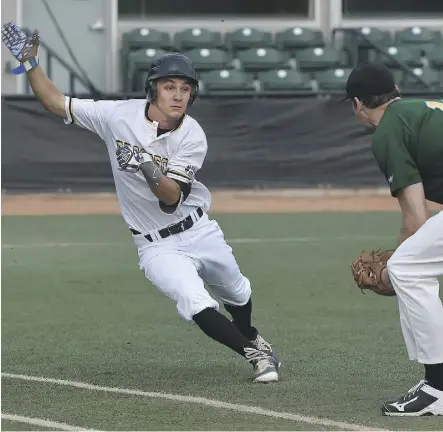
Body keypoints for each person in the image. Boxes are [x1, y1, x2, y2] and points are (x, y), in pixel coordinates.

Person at [1, 22, 281, 383]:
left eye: (185, 88)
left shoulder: (192, 135)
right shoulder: (118, 116)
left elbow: (171, 198)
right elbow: (56, 103)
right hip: (155, 245)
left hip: (198, 228)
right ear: (153, 90)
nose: (178, 95)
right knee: (196, 302)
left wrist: (146, 165)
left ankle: (250, 333)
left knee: (237, 290)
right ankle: (255, 355)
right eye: (169, 87)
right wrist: (30, 63)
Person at [344, 61, 443, 416]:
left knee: (406, 269)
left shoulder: (388, 129)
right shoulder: (423, 110)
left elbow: (416, 217)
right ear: (395, 92)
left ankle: (438, 389)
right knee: (410, 266)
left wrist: (389, 269)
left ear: (357, 104)